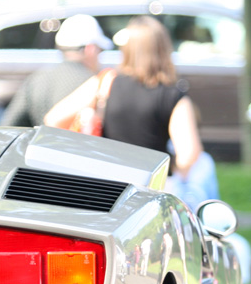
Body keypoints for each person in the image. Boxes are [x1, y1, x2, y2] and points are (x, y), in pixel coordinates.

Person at [44, 15, 203, 180]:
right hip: (151, 185)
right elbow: (189, 155)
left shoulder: (104, 82)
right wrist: (173, 172)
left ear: (126, 49)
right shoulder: (173, 95)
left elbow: (53, 120)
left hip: (108, 182)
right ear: (164, 49)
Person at [0, 14, 111, 127]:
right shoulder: (95, 85)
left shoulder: (36, 80)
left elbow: (10, 125)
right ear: (90, 49)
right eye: (100, 51)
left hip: (39, 144)